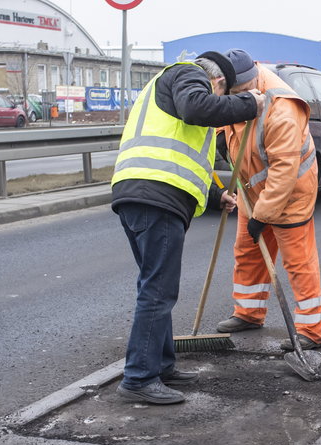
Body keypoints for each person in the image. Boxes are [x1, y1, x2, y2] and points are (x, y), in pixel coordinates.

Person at [111, 51, 264, 405]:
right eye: (224, 95)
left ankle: (162, 366)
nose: (219, 103)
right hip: (156, 197)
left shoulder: (167, 86)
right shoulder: (188, 74)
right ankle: (138, 378)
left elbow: (180, 156)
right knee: (158, 291)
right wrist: (248, 103)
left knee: (155, 285)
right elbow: (197, 107)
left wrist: (214, 196)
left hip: (141, 192)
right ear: (219, 82)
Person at [214, 49, 321, 351]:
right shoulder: (234, 95)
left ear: (251, 85)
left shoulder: (281, 112)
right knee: (247, 251)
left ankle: (312, 330)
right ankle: (249, 313)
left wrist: (261, 216)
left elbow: (283, 172)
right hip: (252, 188)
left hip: (291, 192)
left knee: (298, 262)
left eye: (239, 96)